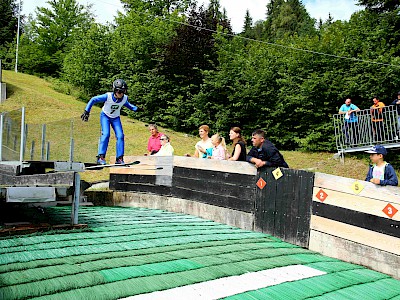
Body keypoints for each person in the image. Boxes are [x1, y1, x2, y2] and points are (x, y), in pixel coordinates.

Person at [81, 79, 140, 165]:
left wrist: (136, 109)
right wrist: (87, 111)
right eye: (119, 92)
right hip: (105, 116)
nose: (121, 94)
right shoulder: (107, 96)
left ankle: (119, 158)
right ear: (115, 90)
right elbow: (93, 99)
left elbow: (128, 105)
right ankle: (101, 157)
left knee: (120, 136)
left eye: (123, 92)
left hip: (116, 118)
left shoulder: (124, 98)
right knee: (106, 134)